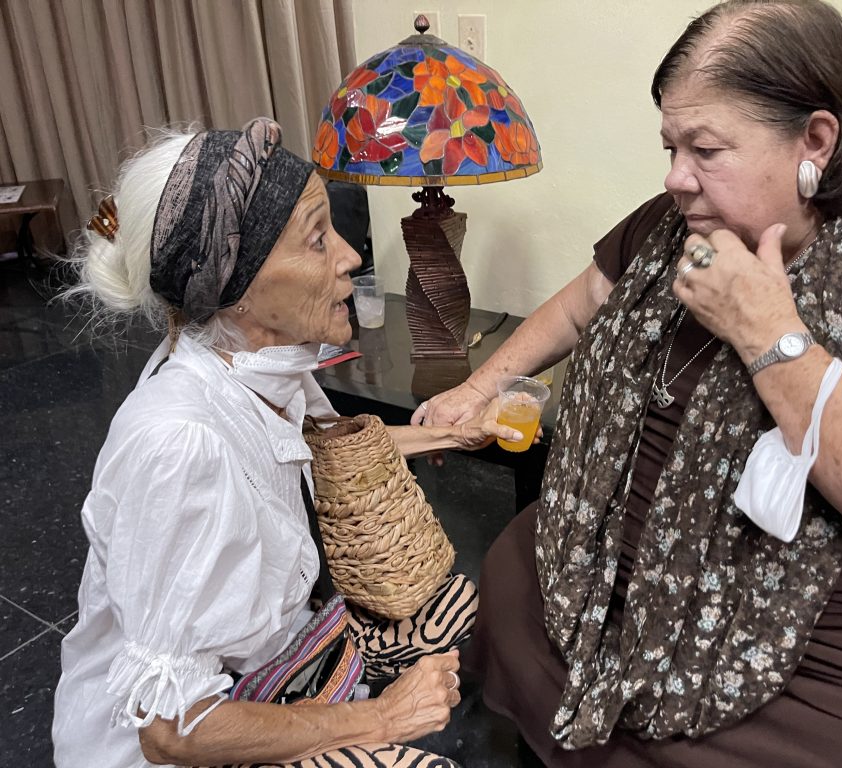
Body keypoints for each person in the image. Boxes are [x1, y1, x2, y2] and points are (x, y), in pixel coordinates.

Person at [417, 1, 842, 765]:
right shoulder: (679, 228)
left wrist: (766, 331)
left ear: (816, 140)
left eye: (705, 149)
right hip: (626, 566)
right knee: (512, 579)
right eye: (671, 146)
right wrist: (479, 388)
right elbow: (580, 304)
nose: (676, 177)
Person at [52, 117, 528, 768]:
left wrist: (456, 430)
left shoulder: (259, 364)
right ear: (236, 289)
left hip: (265, 661)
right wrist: (382, 718)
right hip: (177, 741)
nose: (351, 257)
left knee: (459, 599)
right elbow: (170, 730)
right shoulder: (180, 446)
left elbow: (334, 446)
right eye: (317, 238)